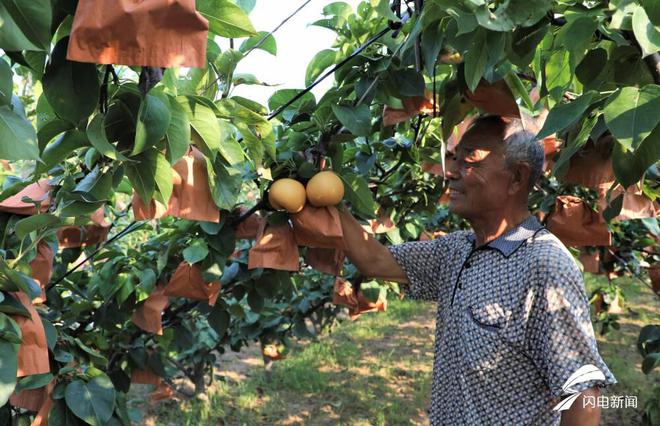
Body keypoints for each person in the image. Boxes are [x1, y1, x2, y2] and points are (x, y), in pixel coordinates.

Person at [337, 115, 617, 425]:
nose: (451, 173)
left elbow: (582, 397)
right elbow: (374, 260)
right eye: (454, 159)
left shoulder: (544, 264)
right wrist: (332, 197)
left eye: (469, 160)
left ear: (516, 178)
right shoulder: (456, 249)